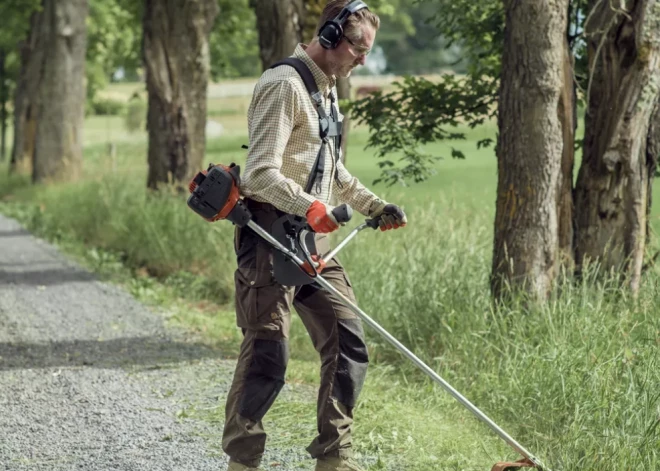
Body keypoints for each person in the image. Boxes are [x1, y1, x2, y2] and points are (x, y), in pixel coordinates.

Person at [223, 2, 407, 470]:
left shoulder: (326, 89)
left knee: (347, 340)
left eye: (368, 51)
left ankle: (334, 457)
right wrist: (312, 207)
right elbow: (260, 174)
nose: (363, 60)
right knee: (268, 353)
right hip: (270, 239)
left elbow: (331, 167)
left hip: (313, 243)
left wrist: (374, 205)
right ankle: (243, 461)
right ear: (328, 37)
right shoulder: (283, 85)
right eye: (358, 48)